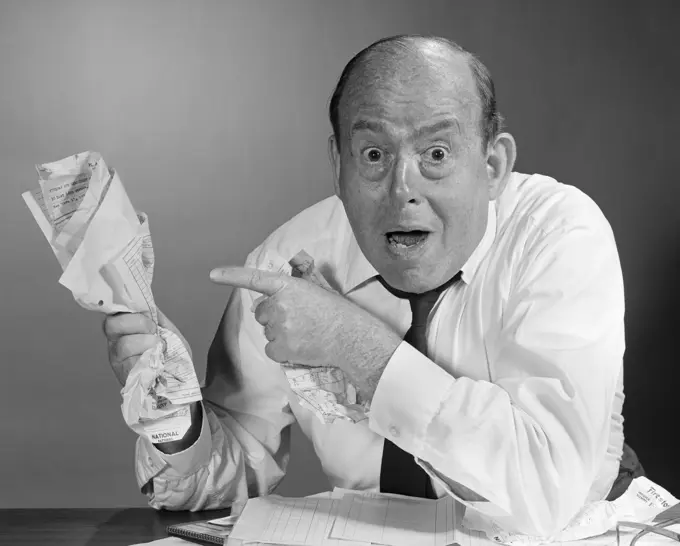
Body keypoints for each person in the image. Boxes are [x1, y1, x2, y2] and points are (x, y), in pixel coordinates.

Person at [103, 34, 643, 537]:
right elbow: (237, 465)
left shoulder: (558, 233)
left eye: (436, 153)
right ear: (338, 164)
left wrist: (350, 342)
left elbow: (546, 495)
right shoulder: (284, 262)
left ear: (494, 164)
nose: (402, 190)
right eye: (374, 156)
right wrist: (174, 418)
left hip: (579, 533)